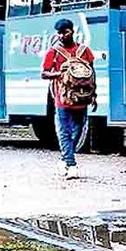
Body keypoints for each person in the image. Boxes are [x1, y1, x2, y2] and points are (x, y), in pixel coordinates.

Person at [41, 18, 97, 179]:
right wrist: (60, 74)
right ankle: (71, 165)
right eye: (59, 33)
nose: (61, 36)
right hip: (62, 99)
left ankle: (64, 159)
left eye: (65, 32)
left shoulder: (85, 51)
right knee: (64, 132)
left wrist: (94, 94)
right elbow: (44, 73)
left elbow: (92, 74)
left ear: (72, 31)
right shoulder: (53, 52)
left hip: (82, 99)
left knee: (78, 131)